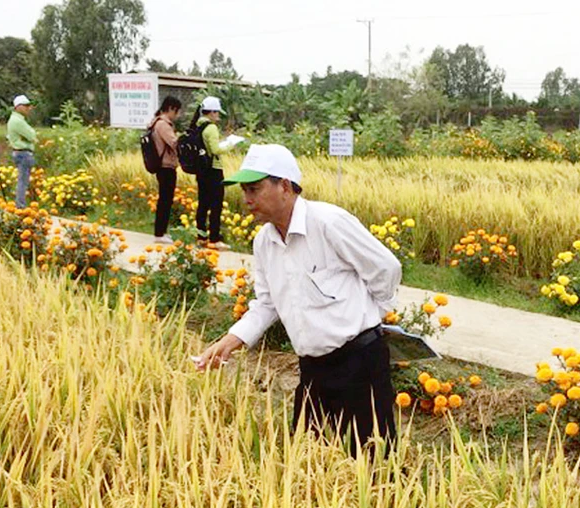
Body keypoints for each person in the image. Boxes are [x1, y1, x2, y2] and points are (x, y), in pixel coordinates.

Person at [198, 144, 402, 455]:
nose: (247, 199)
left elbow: (386, 269)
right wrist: (230, 341)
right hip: (312, 370)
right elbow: (266, 303)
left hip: (359, 364)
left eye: (254, 189)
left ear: (284, 186)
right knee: (309, 462)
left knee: (373, 463)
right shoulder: (264, 242)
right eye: (244, 190)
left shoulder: (328, 223)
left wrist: (371, 314)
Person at [195, 96, 234, 250]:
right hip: (213, 170)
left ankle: (201, 237)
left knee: (203, 204)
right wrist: (230, 145)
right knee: (216, 204)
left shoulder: (198, 125)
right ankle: (214, 239)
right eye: (217, 113)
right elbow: (215, 150)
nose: (218, 116)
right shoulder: (211, 128)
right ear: (210, 112)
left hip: (201, 170)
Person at [150, 96, 183, 243]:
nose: (178, 115)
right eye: (177, 112)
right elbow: (174, 143)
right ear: (170, 109)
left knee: (165, 199)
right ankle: (159, 234)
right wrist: (184, 139)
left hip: (162, 166)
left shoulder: (156, 122)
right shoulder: (163, 124)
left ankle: (161, 231)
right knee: (165, 200)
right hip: (166, 167)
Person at [6, 95, 37, 209]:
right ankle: (20, 206)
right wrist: (32, 136)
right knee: (23, 181)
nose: (28, 108)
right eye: (25, 105)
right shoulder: (17, 121)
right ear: (18, 106)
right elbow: (32, 135)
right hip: (23, 153)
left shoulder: (17, 120)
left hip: (21, 152)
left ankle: (20, 204)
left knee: (23, 180)